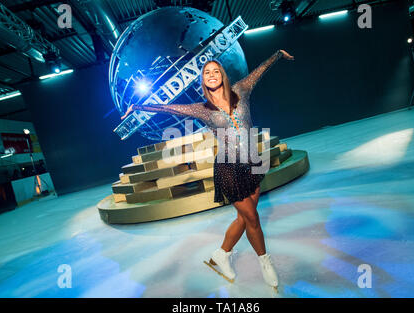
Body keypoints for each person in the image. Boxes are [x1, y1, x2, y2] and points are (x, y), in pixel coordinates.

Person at [121, 49, 294, 291]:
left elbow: (259, 71)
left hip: (253, 162)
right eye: (206, 73)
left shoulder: (241, 91)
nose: (211, 75)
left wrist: (276, 55)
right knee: (253, 218)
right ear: (203, 80)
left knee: (245, 218)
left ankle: (221, 254)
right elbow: (169, 108)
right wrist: (138, 106)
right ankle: (265, 262)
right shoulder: (202, 109)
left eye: (215, 71)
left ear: (222, 75)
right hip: (229, 168)